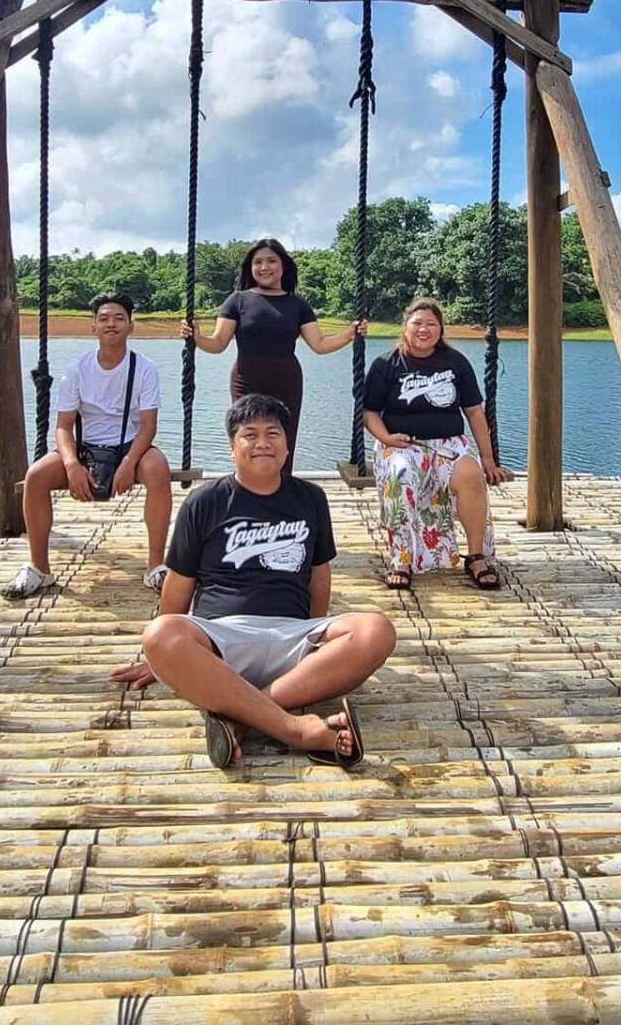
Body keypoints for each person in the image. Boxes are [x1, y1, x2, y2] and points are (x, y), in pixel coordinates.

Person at [110, 393, 396, 769]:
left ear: (287, 444)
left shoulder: (311, 498)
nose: (262, 443)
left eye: (273, 433)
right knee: (160, 635)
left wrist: (315, 639)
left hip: (294, 639)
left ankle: (240, 714)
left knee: (377, 630)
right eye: (250, 434)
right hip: (221, 640)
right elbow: (179, 583)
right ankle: (296, 729)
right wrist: (159, 661)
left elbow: (318, 576)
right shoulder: (205, 501)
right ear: (232, 447)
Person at [7, 292, 171, 601]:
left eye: (119, 318)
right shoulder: (77, 368)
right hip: (83, 446)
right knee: (36, 476)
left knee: (158, 469)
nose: (112, 324)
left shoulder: (144, 368)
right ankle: (39, 568)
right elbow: (63, 426)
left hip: (129, 446)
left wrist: (127, 463)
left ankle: (155, 566)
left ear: (131, 327)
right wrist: (71, 464)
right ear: (93, 327)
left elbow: (148, 426)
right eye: (104, 319)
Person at [361, 296, 513, 591]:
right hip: (402, 444)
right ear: (405, 326)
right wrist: (385, 438)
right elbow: (369, 413)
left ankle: (477, 556)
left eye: (432, 324)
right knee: (400, 476)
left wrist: (488, 459)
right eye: (417, 323)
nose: (424, 329)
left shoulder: (455, 362)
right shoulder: (386, 364)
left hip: (449, 444)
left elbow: (474, 412)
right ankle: (402, 559)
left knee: (470, 475)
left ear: (441, 329)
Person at [181, 237, 363, 471]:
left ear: (283, 266)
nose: (264, 267)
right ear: (250, 267)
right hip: (245, 381)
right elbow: (217, 344)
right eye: (258, 262)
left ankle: (281, 495)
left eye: (271, 261)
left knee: (281, 441)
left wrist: (350, 334)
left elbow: (319, 344)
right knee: (245, 437)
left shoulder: (297, 305)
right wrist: (197, 337)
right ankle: (246, 493)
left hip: (286, 383)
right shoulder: (237, 301)